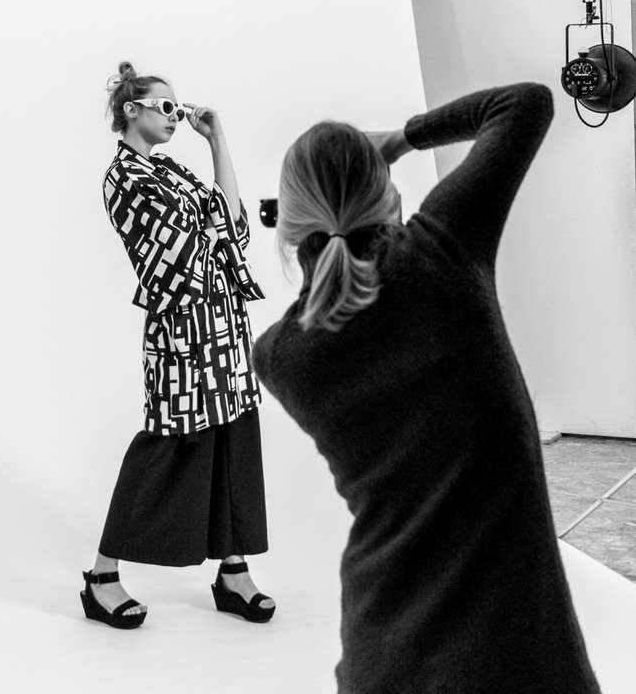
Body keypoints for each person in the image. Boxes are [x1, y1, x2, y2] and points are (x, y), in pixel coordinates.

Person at [250, 82, 602, 693]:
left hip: (381, 651)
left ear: (286, 225)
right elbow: (524, 105)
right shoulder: (441, 253)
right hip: (517, 653)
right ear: (387, 197)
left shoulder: (279, 356)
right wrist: (403, 138)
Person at [80, 60, 275, 629]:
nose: (175, 116)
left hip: (223, 321)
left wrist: (217, 141)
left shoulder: (171, 170)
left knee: (234, 436)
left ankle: (233, 572)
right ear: (131, 110)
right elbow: (184, 247)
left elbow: (235, 226)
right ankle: (100, 577)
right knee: (165, 443)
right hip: (180, 327)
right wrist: (214, 225)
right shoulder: (125, 177)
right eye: (165, 106)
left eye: (177, 107)